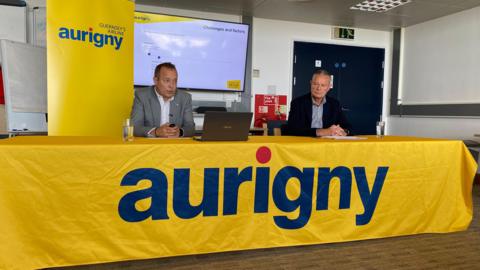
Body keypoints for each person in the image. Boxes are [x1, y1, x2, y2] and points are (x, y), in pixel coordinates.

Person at [130, 62, 195, 137]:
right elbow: (134, 127)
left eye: (175, 81)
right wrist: (156, 131)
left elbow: (191, 128)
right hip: (151, 146)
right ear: (156, 80)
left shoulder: (185, 98)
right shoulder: (142, 96)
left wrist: (179, 132)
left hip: (175, 146)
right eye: (167, 80)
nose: (172, 86)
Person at [286, 69, 351, 137]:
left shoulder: (334, 104)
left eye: (323, 85)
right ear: (311, 83)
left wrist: (344, 132)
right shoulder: (297, 103)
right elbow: (291, 129)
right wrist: (321, 132)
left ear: (328, 87)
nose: (318, 88)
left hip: (327, 145)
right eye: (315, 84)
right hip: (305, 144)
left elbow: (348, 127)